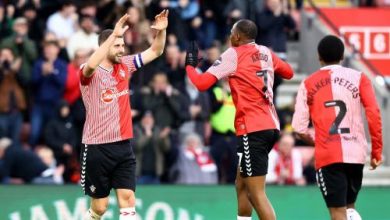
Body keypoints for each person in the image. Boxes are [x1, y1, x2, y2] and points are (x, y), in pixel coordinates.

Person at [185, 19, 293, 220]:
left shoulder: (233, 54)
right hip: (270, 125)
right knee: (241, 184)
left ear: (236, 36)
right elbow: (288, 72)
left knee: (256, 193)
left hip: (252, 128)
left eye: (231, 32)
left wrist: (190, 66)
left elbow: (201, 84)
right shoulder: (266, 52)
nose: (229, 36)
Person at [79, 10, 168, 220]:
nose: (122, 49)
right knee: (99, 208)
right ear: (105, 46)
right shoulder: (88, 71)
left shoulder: (125, 65)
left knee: (128, 200)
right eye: (117, 45)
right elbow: (91, 65)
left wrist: (161, 32)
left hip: (123, 146)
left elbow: (156, 51)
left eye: (122, 45)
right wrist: (113, 34)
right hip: (96, 147)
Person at [292, 35, 383, 220]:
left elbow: (299, 128)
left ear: (319, 56)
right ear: (342, 56)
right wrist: (376, 151)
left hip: (328, 155)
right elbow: (373, 113)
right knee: (349, 209)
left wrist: (318, 143)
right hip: (356, 154)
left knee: (337, 213)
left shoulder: (308, 83)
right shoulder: (360, 78)